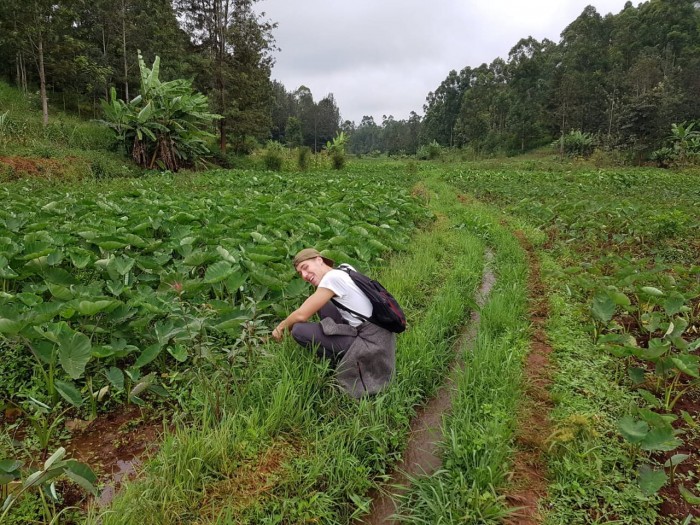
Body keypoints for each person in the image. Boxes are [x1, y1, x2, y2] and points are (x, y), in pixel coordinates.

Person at [271, 248, 396, 397]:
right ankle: (339, 350)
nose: (304, 276)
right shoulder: (344, 268)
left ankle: (341, 362)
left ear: (319, 260)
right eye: (300, 273)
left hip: (371, 344)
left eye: (305, 268)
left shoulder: (331, 279)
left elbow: (301, 315)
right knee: (322, 303)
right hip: (382, 335)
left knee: (298, 330)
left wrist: (280, 328)